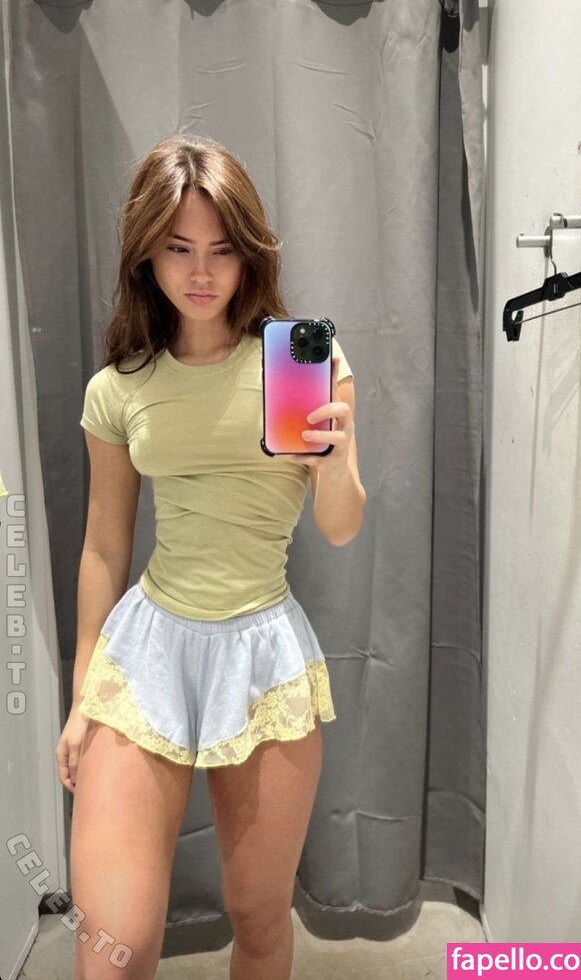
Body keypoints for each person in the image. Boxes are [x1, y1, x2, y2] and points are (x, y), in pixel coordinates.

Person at [55, 134, 366, 980]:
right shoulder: (120, 385)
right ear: (145, 253)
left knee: (259, 918)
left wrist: (335, 462)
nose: (201, 272)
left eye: (222, 250)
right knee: (114, 942)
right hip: (146, 648)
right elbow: (103, 544)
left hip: (262, 652)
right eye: (178, 248)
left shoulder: (303, 358)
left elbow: (341, 526)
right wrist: (84, 694)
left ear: (249, 251)